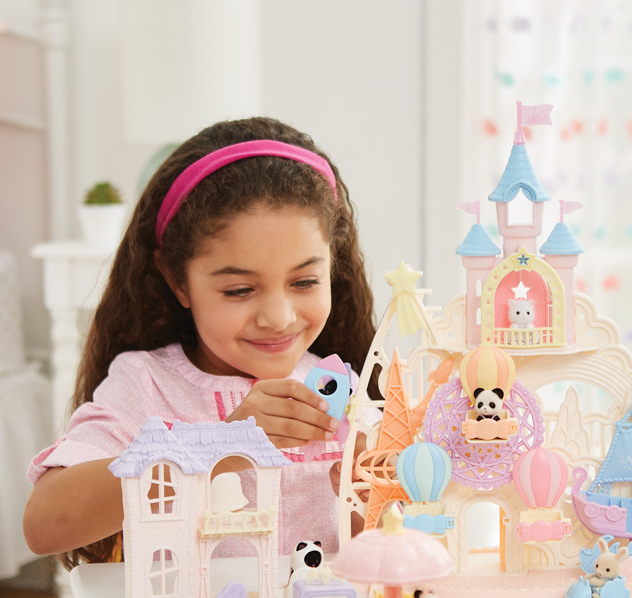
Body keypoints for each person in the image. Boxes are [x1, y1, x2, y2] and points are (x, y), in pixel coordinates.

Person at [23, 117, 375, 568]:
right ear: (178, 281)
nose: (278, 318)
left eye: (305, 282)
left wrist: (375, 498)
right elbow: (45, 524)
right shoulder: (146, 383)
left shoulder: (343, 387)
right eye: (239, 290)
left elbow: (377, 551)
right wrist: (222, 446)